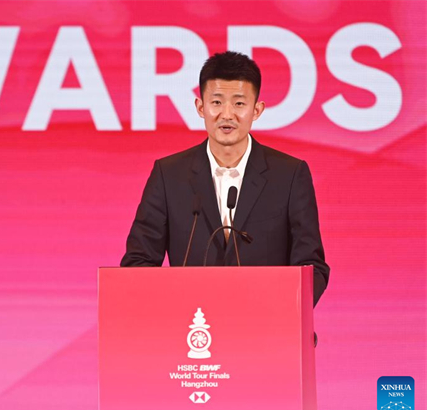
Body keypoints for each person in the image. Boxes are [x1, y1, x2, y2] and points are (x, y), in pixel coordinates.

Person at [121, 51, 329, 307]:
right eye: (217, 102)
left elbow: (311, 267)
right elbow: (138, 262)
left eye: (239, 104)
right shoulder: (169, 175)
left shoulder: (289, 175)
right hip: (191, 325)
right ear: (200, 107)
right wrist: (172, 309)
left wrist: (283, 311)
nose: (227, 114)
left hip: (265, 323)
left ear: (257, 110)